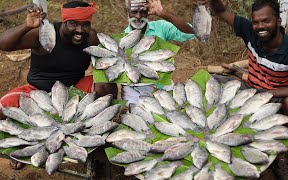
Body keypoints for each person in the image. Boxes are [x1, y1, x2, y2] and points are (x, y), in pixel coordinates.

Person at [198, 0, 288, 179]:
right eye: (256, 21)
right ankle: (212, 128)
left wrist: (272, 93)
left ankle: (280, 154)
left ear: (278, 21)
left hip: (275, 97)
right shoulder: (249, 31)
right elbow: (221, 10)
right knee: (210, 81)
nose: (260, 26)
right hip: (250, 88)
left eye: (266, 21)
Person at [0, 1, 117, 169]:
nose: (80, 30)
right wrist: (26, 27)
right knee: (2, 108)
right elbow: (3, 43)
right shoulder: (45, 34)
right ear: (64, 22)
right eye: (73, 24)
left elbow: (104, 65)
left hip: (72, 92)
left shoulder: (91, 37)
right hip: (36, 91)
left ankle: (97, 138)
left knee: (106, 86)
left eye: (85, 24)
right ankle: (22, 148)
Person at [122, 0, 195, 104]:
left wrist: (163, 14)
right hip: (135, 91)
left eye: (142, 12)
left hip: (164, 86)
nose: (138, 16)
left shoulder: (160, 27)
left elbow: (190, 32)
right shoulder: (122, 39)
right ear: (127, 12)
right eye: (134, 12)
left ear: (148, 12)